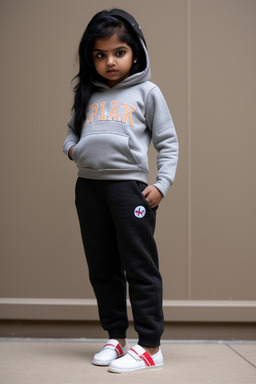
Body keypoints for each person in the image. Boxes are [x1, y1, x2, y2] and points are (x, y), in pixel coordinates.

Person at [63, 9, 178, 373]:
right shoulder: (88, 94)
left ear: (136, 53)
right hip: (89, 189)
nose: (109, 62)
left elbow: (168, 142)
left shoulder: (148, 92)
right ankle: (116, 336)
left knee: (139, 266)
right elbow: (72, 133)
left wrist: (162, 184)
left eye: (118, 52)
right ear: (90, 57)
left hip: (129, 190)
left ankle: (150, 346)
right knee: (102, 267)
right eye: (100, 54)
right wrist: (72, 150)